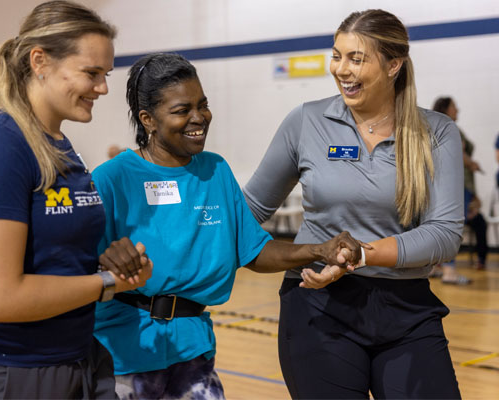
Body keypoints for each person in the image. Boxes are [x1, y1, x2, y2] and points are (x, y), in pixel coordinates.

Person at [91, 53, 366, 400]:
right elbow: (77, 267)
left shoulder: (215, 170)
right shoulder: (111, 179)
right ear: (148, 119)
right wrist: (105, 260)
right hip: (125, 353)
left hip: (194, 351)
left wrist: (318, 250)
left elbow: (252, 250)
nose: (199, 118)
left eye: (202, 105)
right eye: (181, 110)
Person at [243, 9, 463, 399]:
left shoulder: (437, 132)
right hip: (317, 305)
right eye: (336, 55)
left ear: (394, 64)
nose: (340, 69)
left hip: (406, 308)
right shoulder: (306, 122)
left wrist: (361, 255)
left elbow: (444, 234)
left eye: (356, 59)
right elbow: (250, 210)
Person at [0, 1, 152, 399]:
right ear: (40, 61)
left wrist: (109, 259)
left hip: (71, 358)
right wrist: (106, 283)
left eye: (105, 75)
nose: (103, 88)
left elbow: (57, 251)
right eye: (92, 74)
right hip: (7, 371)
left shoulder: (60, 144)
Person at [432, 97, 487, 272]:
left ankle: (433, 268)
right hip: (455, 185)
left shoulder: (436, 127)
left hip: (451, 185)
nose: (458, 110)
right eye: (454, 107)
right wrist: (471, 163)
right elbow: (456, 152)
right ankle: (449, 270)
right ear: (446, 109)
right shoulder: (448, 128)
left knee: (437, 224)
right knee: (451, 226)